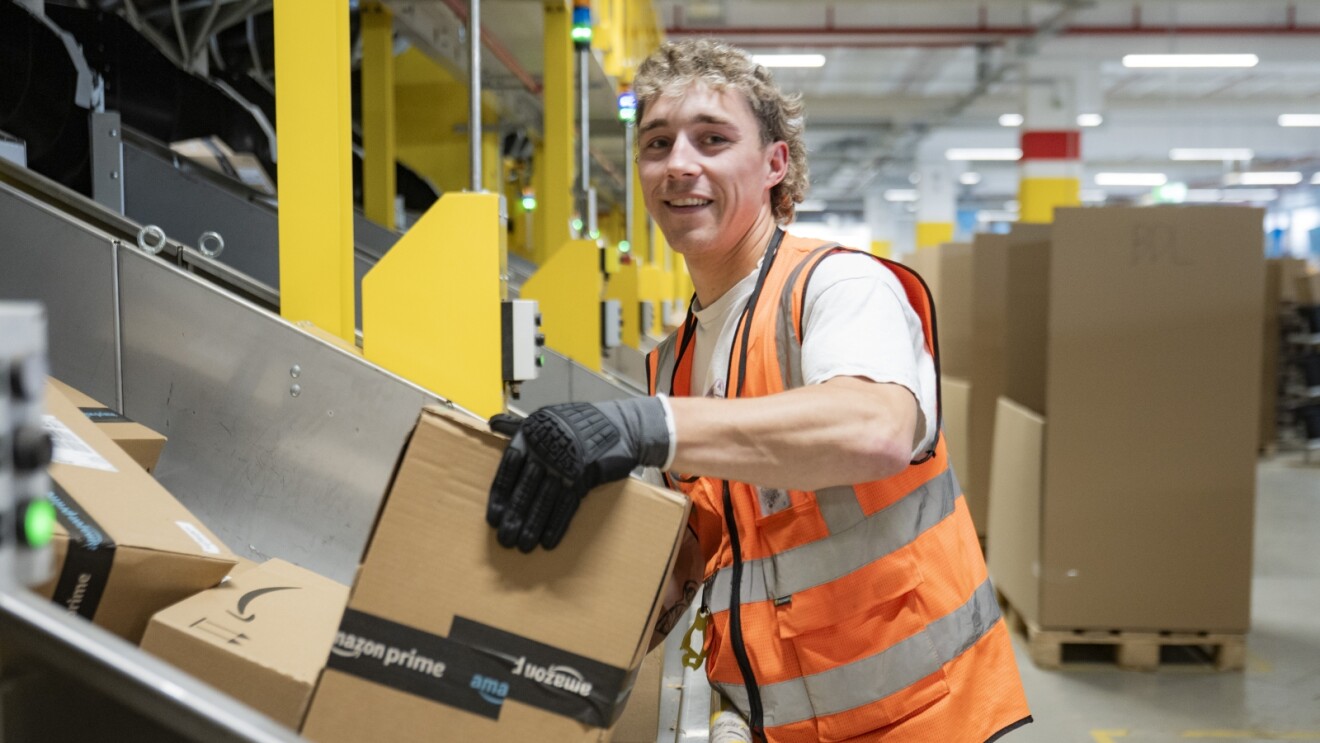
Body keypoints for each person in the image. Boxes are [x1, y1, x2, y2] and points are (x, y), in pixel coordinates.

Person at [486, 38, 1032, 742]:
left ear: (775, 163)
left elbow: (875, 429)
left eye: (712, 139)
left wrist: (646, 426)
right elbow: (703, 552)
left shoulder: (838, 287)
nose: (680, 163)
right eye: (657, 144)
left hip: (929, 720)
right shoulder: (674, 362)